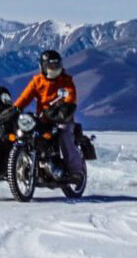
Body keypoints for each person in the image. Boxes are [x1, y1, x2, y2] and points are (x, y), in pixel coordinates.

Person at [12, 50, 84, 180]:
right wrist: (15, 108)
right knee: (26, 133)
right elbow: (25, 97)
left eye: (57, 66)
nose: (54, 69)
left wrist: (66, 108)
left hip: (62, 118)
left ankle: (76, 171)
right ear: (43, 67)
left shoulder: (66, 81)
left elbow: (71, 96)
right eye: (50, 66)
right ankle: (24, 163)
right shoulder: (37, 81)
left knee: (64, 135)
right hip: (43, 118)